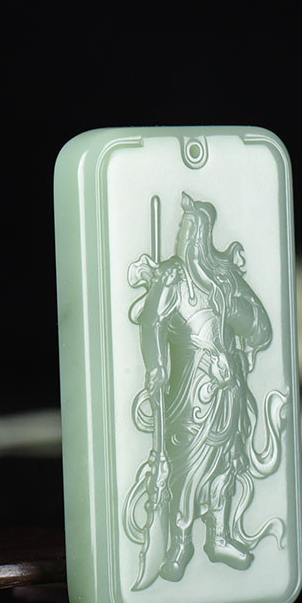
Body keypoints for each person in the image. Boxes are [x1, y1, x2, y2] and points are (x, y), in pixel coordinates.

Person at [128, 192, 275, 583]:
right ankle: (180, 544)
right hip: (188, 386)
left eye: (193, 228)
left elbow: (259, 327)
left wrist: (237, 312)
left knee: (226, 460)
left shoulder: (224, 277)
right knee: (185, 465)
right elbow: (151, 322)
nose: (185, 235)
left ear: (205, 233)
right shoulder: (172, 276)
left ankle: (219, 537)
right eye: (183, 228)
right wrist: (157, 365)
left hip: (227, 387)